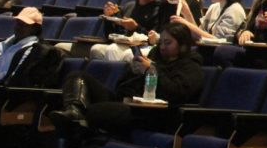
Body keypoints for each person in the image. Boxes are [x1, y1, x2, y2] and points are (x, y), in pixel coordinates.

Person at [50, 21, 204, 136]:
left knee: (95, 111)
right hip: (126, 100)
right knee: (77, 76)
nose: (162, 47)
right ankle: (74, 110)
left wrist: (150, 70)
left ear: (183, 45)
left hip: (149, 113)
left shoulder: (191, 66)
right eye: (161, 42)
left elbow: (175, 93)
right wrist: (133, 70)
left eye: (168, 43)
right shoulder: (154, 56)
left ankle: (76, 124)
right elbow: (121, 86)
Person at [89, 0, 167, 62]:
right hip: (125, 44)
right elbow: (111, 35)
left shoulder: (161, 8)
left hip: (146, 46)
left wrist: (136, 28)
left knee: (126, 54)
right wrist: (110, 18)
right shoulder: (129, 6)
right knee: (98, 49)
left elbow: (155, 38)